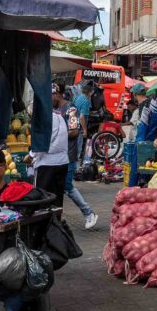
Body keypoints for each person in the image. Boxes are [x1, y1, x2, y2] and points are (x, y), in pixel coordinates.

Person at [34, 86, 99, 230]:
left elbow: (74, 131)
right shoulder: (53, 110)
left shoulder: (71, 109)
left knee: (67, 186)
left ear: (57, 94)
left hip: (68, 154)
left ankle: (89, 213)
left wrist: (56, 135)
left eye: (50, 96)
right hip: (55, 157)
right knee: (57, 189)